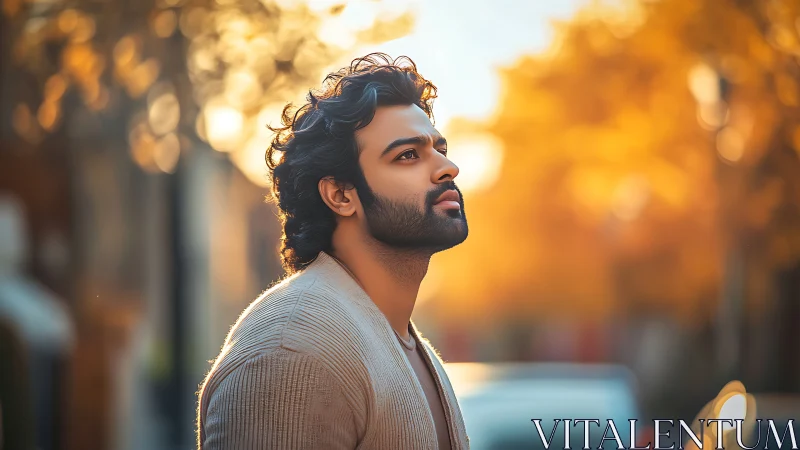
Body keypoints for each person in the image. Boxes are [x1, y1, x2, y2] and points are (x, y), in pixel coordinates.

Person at [197, 53, 470, 449]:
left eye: (438, 148)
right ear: (341, 195)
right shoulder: (293, 350)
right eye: (407, 155)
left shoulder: (403, 342)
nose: (447, 168)